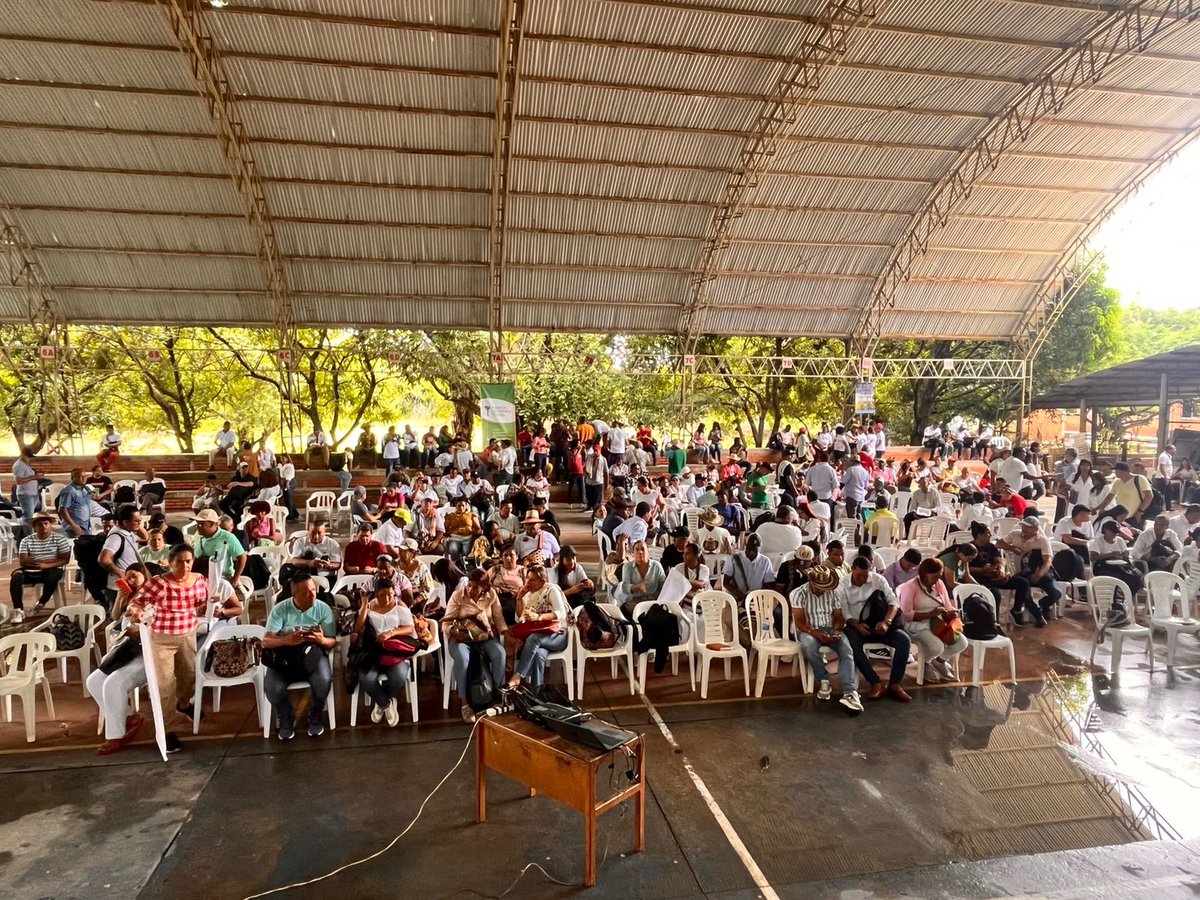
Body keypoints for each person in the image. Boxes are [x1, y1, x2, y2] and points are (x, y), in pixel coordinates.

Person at [136, 544, 210, 753]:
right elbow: (137, 602)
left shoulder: (200, 581)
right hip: (161, 639)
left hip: (187, 635)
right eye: (179, 561)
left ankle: (184, 703)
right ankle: (166, 731)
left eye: (188, 561)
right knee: (165, 686)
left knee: (189, 676)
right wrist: (138, 612)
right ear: (170, 562)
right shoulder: (159, 583)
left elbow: (204, 604)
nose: (185, 565)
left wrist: (211, 606)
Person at [262, 571, 336, 740]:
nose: (312, 596)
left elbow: (332, 641)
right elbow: (266, 641)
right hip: (285, 656)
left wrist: (321, 639)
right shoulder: (281, 609)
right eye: (305, 593)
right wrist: (287, 640)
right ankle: (286, 715)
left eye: (313, 590)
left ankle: (315, 715)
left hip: (313, 654)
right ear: (294, 594)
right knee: (273, 687)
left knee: (323, 681)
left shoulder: (323, 608)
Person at [88, 564, 151, 755]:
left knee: (113, 684)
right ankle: (129, 717)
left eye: (135, 576)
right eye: (128, 577)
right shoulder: (130, 597)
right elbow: (115, 618)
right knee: (93, 682)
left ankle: (115, 736)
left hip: (147, 653)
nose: (131, 581)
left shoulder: (153, 598)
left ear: (145, 577)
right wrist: (120, 598)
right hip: (126, 651)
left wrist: (140, 628)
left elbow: (159, 628)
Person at [788, 565, 862, 712]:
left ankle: (850, 692)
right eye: (819, 586)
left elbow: (839, 618)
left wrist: (836, 630)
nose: (822, 590)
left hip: (828, 627)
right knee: (810, 646)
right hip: (808, 629)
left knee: (846, 649)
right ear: (811, 582)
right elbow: (800, 623)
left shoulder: (833, 593)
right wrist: (816, 633)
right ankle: (823, 680)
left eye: (825, 586)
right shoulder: (798, 593)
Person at [841, 556, 911, 702]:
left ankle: (895, 684)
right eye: (859, 575)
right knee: (853, 646)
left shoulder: (877, 579)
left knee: (904, 640)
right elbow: (845, 613)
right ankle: (875, 682)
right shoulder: (842, 585)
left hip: (879, 624)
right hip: (855, 625)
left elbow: (893, 601)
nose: (863, 579)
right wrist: (857, 626)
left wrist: (887, 621)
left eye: (865, 575)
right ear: (852, 569)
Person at [444, 568, 509, 723]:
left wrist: (506, 632)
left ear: (485, 588)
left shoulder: (491, 595)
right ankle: (465, 704)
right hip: (461, 638)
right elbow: (446, 622)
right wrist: (452, 631)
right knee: (462, 658)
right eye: (470, 585)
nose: (471, 589)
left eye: (476, 587)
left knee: (500, 654)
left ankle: (499, 695)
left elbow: (498, 618)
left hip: (483, 637)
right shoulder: (458, 595)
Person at [897, 558, 968, 683]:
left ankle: (939, 661)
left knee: (961, 642)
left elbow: (946, 604)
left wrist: (951, 611)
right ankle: (924, 663)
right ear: (924, 574)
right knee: (937, 646)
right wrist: (929, 614)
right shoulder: (911, 587)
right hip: (916, 625)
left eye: (939, 576)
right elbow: (906, 615)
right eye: (934, 577)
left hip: (937, 622)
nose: (937, 580)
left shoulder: (939, 584)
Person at [355, 579, 414, 728]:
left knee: (399, 676)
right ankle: (385, 703)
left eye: (390, 595)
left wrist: (391, 632)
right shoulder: (369, 606)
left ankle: (380, 701)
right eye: (382, 595)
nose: (387, 599)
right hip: (373, 650)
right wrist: (363, 606)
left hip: (394, 650)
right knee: (366, 678)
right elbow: (357, 628)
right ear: (376, 594)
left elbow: (409, 628)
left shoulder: (399, 606)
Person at [967, 521, 1043, 628]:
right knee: (995, 593)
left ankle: (1016, 611)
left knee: (1023, 583)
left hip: (995, 575)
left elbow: (1000, 560)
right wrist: (982, 570)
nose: (990, 536)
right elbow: (966, 569)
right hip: (980, 578)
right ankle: (995, 622)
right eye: (988, 534)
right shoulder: (970, 548)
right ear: (980, 535)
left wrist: (1001, 570)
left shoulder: (991, 547)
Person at [509, 565, 569, 689]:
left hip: (558, 634)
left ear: (542, 580)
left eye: (532, 580)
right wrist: (519, 598)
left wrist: (539, 617)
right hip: (540, 636)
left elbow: (560, 613)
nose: (528, 583)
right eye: (527, 579)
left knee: (533, 639)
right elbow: (519, 618)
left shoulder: (551, 590)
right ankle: (537, 693)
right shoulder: (527, 594)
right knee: (538, 654)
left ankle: (518, 675)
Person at [7, 511, 72, 624]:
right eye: (39, 524)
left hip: (51, 570)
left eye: (46, 523)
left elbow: (65, 559)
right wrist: (42, 562)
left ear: (51, 525)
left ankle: (42, 602)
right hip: (31, 570)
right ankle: (18, 609)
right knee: (16, 576)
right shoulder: (26, 540)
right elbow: (23, 561)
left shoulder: (60, 539)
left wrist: (46, 565)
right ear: (34, 526)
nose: (43, 526)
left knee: (53, 575)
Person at [997, 514, 1061, 620]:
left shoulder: (1043, 540)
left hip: (1041, 573)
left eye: (1027, 527)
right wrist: (1012, 548)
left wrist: (1038, 575)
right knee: (1023, 588)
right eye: (1023, 526)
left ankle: (1044, 604)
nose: (1024, 529)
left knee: (1056, 593)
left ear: (1035, 529)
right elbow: (999, 544)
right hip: (1022, 573)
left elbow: (1047, 561)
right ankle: (1036, 613)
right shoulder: (1015, 535)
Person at [99, 504, 145, 610]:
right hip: (119, 588)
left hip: (130, 584)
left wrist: (136, 524)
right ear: (125, 522)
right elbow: (104, 559)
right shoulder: (116, 536)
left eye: (140, 520)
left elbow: (145, 536)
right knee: (119, 620)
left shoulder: (128, 532)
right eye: (136, 521)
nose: (139, 523)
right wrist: (122, 574)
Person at [190, 508, 248, 583]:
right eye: (197, 523)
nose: (197, 527)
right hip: (199, 578)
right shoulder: (198, 536)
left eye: (201, 524)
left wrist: (235, 578)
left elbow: (242, 556)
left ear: (211, 524)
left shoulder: (228, 537)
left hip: (222, 577)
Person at [1089, 518, 1143, 597]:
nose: (1114, 534)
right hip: (1103, 566)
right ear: (1106, 530)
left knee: (1137, 575)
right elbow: (1093, 557)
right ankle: (1113, 599)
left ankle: (1130, 596)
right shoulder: (1098, 541)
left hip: (1119, 565)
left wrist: (1125, 556)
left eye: (1116, 532)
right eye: (1112, 531)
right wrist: (1110, 554)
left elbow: (1125, 557)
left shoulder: (1120, 540)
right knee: (1117, 576)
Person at [722, 534, 776, 607]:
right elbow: (726, 583)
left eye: (754, 550)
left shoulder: (765, 561)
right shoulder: (733, 559)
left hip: (757, 599)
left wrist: (757, 597)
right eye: (749, 549)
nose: (751, 553)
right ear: (745, 545)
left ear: (759, 548)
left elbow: (768, 584)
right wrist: (741, 595)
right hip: (737, 598)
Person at [619, 540, 666, 606]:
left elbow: (663, 586)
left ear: (648, 552)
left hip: (653, 602)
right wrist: (637, 587)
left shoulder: (656, 566)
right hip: (634, 602)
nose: (640, 552)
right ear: (633, 553)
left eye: (643, 549)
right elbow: (624, 587)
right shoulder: (627, 566)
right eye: (637, 550)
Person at [57, 468, 95, 537]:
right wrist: (74, 526)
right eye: (80, 476)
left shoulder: (84, 489)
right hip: (74, 528)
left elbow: (95, 497)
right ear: (73, 478)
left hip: (85, 526)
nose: (83, 478)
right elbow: (62, 510)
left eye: (85, 476)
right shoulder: (69, 491)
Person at [12, 448, 41, 523]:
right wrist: (34, 477)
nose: (29, 459)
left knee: (31, 514)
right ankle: (26, 531)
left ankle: (29, 529)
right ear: (22, 455)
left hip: (32, 492)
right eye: (27, 457)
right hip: (25, 493)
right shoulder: (19, 465)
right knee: (28, 515)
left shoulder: (26, 464)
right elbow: (19, 481)